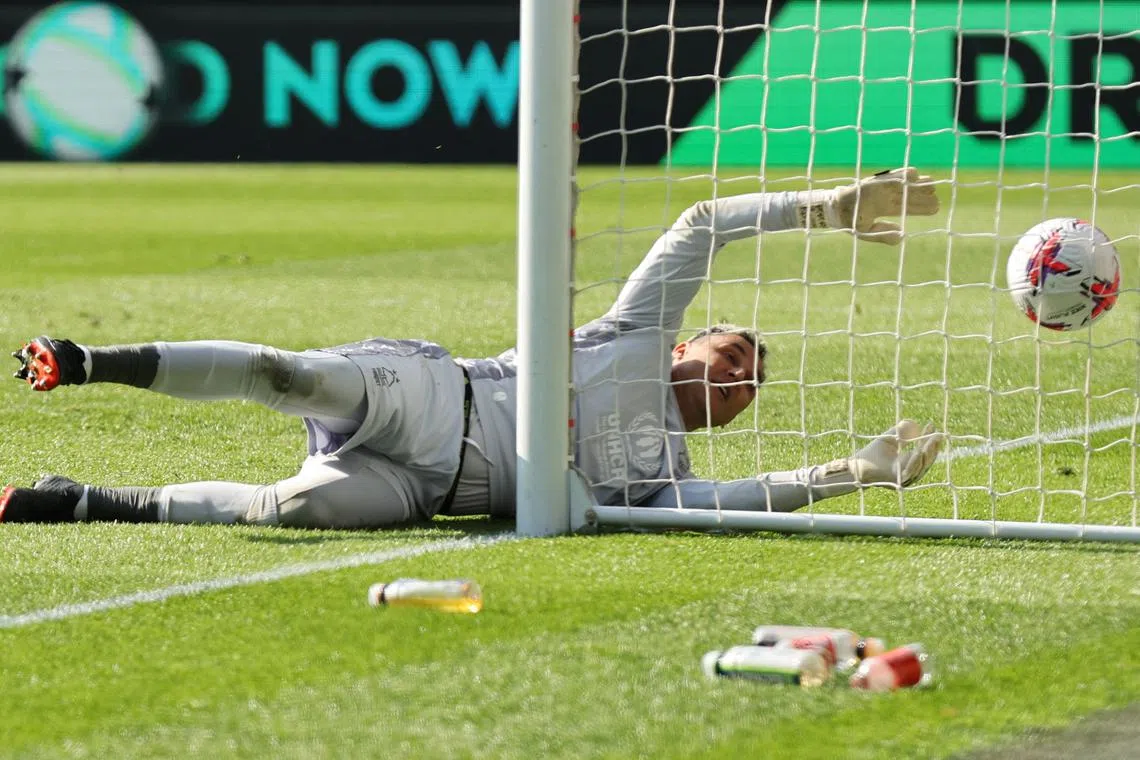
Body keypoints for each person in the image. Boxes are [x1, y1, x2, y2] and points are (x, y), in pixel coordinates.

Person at [1, 168, 944, 528]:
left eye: (749, 384)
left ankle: (75, 503)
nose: (739, 373)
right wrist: (820, 209)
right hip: (426, 396)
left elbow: (746, 500)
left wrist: (856, 472)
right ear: (688, 338)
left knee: (275, 514)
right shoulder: (633, 332)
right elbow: (700, 224)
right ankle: (89, 361)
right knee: (280, 375)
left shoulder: (666, 478)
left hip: (428, 494)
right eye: (734, 350)